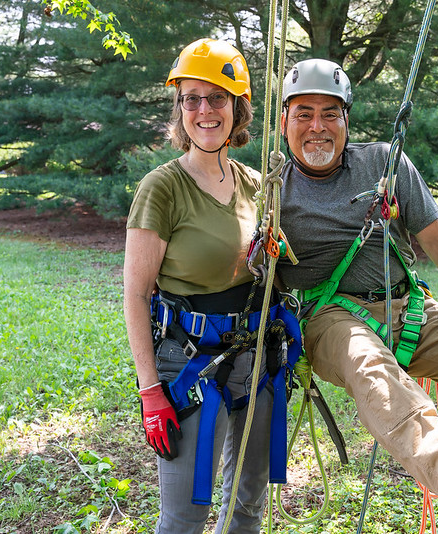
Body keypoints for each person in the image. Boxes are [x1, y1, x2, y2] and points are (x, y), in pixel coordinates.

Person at [274, 59, 438, 525]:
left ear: (347, 119)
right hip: (328, 318)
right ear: (284, 121)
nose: (317, 127)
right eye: (303, 113)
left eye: (330, 113)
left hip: (409, 306)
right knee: (373, 373)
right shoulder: (271, 191)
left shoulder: (383, 164)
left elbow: (435, 236)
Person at [123, 39, 300, 534]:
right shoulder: (162, 188)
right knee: (185, 517)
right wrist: (150, 392)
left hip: (258, 361)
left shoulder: (256, 184)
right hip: (191, 366)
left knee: (247, 507)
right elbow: (136, 295)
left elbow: (270, 274)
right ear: (179, 109)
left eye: (217, 98)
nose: (204, 110)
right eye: (191, 99)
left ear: (238, 108)